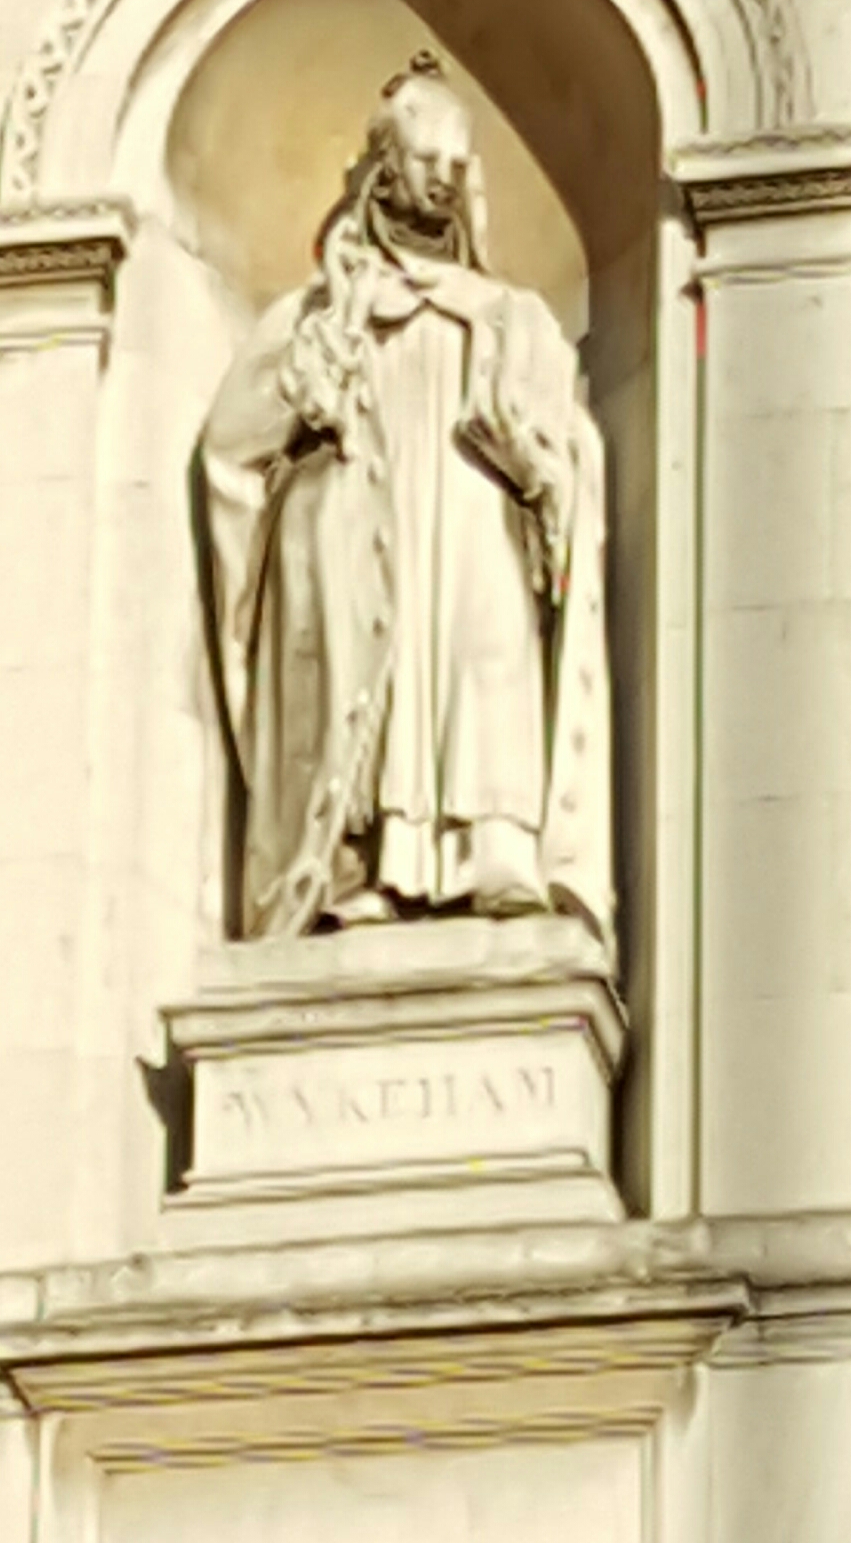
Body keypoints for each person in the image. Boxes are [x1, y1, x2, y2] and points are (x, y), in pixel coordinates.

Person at [201, 51, 613, 950]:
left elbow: (571, 462)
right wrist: (308, 393)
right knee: (368, 682)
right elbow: (232, 452)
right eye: (426, 160)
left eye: (457, 164)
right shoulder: (319, 316)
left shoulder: (510, 315)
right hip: (354, 522)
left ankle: (489, 853)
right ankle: (358, 870)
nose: (443, 179)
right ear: (384, 168)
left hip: (475, 518)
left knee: (482, 657)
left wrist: (535, 463)